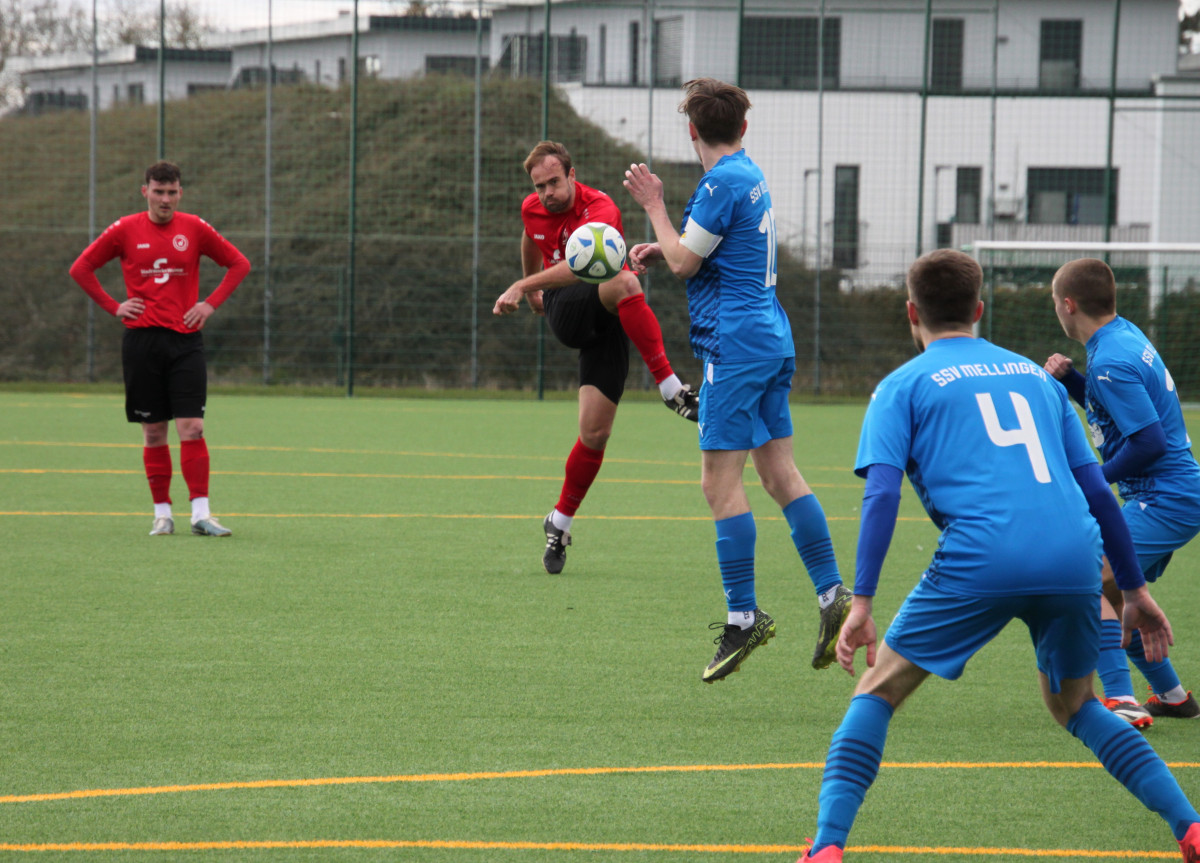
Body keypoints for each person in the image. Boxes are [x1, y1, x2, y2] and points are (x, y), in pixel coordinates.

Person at [796, 249, 1199, 863]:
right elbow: (1097, 493)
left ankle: (826, 847)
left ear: (912, 313)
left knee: (876, 693)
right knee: (1077, 705)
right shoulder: (1037, 379)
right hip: (1073, 556)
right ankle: (1190, 829)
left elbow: (880, 494)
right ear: (979, 310)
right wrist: (1137, 592)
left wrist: (863, 600)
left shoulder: (901, 385)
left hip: (980, 556)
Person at [622, 78, 849, 682]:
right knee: (780, 472)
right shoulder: (748, 173)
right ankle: (832, 596)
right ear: (742, 129)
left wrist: (653, 206)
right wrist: (664, 241)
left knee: (718, 483)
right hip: (772, 338)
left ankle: (744, 616)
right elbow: (703, 251)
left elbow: (683, 262)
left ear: (691, 131)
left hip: (737, 346)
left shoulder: (718, 182)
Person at [492, 140, 699, 575]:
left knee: (595, 434)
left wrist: (521, 285)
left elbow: (585, 264)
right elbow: (532, 238)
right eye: (540, 185)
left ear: (571, 173)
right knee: (624, 281)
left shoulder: (599, 207)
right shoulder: (533, 208)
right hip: (568, 310)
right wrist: (533, 289)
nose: (547, 192)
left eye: (554, 181)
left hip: (605, 322)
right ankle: (671, 388)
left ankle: (559, 522)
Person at [1045, 258, 1200, 727]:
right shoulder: (1121, 335)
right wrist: (1074, 381)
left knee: (1086, 577)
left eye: (1055, 303)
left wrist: (1093, 481)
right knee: (1119, 593)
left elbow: (1149, 440)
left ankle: (1121, 700)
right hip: (1169, 494)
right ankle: (1172, 696)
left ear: (1068, 305)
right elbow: (1118, 409)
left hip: (1165, 496)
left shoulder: (1110, 360)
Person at [69, 161, 250, 538]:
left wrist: (208, 305)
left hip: (185, 340)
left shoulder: (195, 228)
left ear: (180, 193)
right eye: (158, 191)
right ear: (145, 191)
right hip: (142, 342)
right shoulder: (125, 229)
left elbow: (238, 263)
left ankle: (201, 513)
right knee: (153, 432)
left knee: (193, 428)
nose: (165, 199)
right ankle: (161, 514)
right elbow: (82, 267)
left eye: (172, 192)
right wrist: (114, 306)